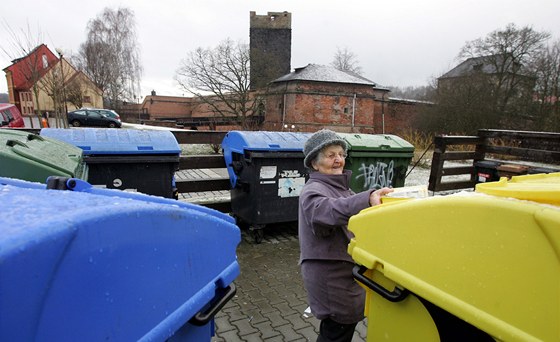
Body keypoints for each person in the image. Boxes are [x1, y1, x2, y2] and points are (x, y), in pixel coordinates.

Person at [298, 129, 393, 342]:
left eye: (341, 154)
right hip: (330, 277)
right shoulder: (313, 190)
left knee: (339, 330)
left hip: (344, 273)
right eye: (331, 155)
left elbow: (354, 215)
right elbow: (328, 211)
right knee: (336, 333)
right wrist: (367, 198)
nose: (338, 160)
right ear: (315, 163)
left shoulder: (341, 189)